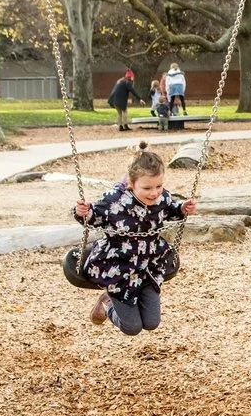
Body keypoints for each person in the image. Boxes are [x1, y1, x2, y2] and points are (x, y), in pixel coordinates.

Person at [72, 142, 197, 335]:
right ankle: (107, 305)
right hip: (118, 268)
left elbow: (171, 209)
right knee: (132, 328)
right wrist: (83, 212)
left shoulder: (162, 198)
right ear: (131, 183)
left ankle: (126, 302)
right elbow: (93, 217)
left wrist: (182, 208)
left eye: (159, 186)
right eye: (147, 188)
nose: (154, 193)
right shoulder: (114, 201)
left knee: (152, 323)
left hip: (149, 265)